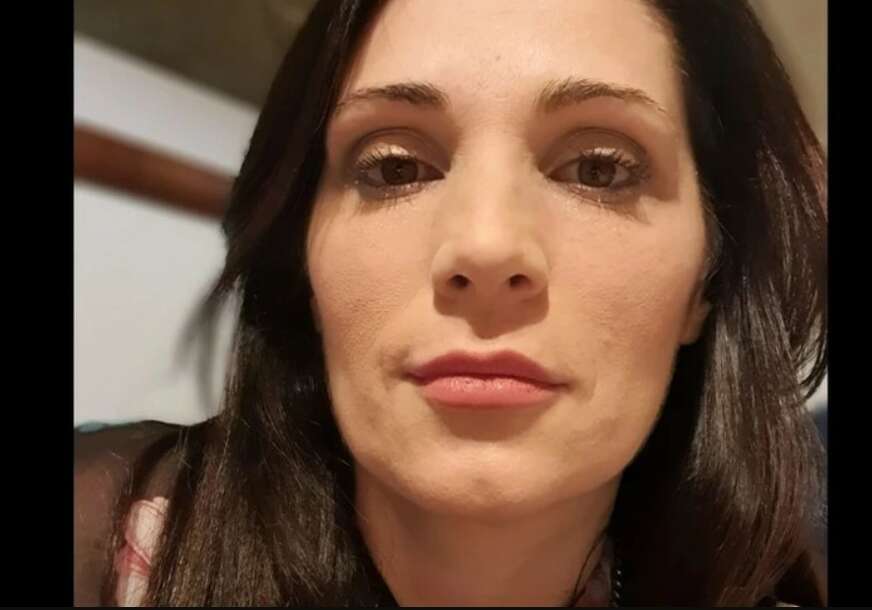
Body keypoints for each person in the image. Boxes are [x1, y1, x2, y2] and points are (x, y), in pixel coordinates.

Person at [74, 0, 828, 605]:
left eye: (599, 169)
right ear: (302, 260)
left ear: (708, 280)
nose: (486, 246)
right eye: (395, 168)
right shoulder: (99, 546)